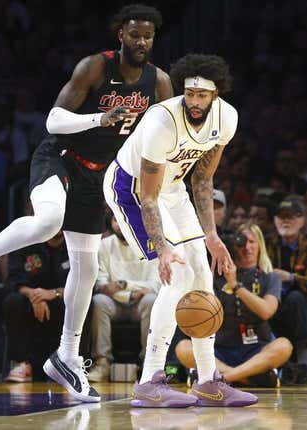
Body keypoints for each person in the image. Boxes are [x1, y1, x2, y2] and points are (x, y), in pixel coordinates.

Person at [0, 4, 173, 402]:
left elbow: (161, 138)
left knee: (85, 269)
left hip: (98, 175)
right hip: (60, 156)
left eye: (148, 36)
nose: (141, 42)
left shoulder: (159, 84)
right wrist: (98, 120)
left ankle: (67, 358)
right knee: (48, 221)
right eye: (135, 35)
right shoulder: (95, 68)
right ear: (120, 35)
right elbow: (53, 120)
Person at [104, 53, 257, 407]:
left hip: (173, 190)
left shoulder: (227, 119)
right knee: (177, 274)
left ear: (216, 95)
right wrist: (162, 248)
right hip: (131, 191)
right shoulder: (162, 121)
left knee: (202, 273)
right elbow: (149, 196)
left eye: (202, 95)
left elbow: (202, 179)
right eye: (189, 93)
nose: (195, 101)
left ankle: (208, 382)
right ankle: (150, 381)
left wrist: (212, 237)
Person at [175, 224, 292, 387]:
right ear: (232, 247)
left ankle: (222, 378)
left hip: (256, 350)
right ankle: (247, 377)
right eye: (242, 243)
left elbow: (267, 311)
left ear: (260, 246)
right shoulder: (215, 276)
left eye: (252, 242)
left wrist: (235, 285)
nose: (247, 247)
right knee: (183, 347)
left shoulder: (270, 277)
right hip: (220, 350)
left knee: (283, 345)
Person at [87, 212, 159, 382]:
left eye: (125, 219)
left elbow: (155, 284)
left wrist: (122, 285)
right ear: (111, 223)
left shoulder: (149, 245)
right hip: (114, 304)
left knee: (152, 300)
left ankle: (148, 363)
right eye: (116, 219)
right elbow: (102, 284)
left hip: (140, 303)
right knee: (98, 301)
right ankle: (102, 362)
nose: (120, 223)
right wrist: (131, 292)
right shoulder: (103, 245)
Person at [267, 196, 307, 384]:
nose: (285, 221)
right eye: (281, 216)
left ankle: (303, 365)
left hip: (305, 309)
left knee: (296, 297)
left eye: (291, 216)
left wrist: (290, 277)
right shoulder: (265, 245)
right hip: (269, 302)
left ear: (303, 221)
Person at [2, 230, 68, 382]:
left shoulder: (76, 244)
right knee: (12, 301)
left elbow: (85, 284)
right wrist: (35, 295)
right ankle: (21, 364)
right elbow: (13, 281)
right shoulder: (26, 241)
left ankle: (69, 365)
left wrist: (54, 293)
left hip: (62, 298)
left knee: (84, 303)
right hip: (30, 298)